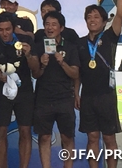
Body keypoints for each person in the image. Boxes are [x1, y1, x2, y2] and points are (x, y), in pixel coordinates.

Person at [76, 0, 122, 168]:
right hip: (88, 97)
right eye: (89, 16)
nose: (92, 19)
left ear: (104, 21)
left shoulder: (110, 36)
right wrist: (76, 93)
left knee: (109, 138)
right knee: (92, 138)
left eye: (96, 17)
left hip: (106, 96)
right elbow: (79, 72)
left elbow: (120, 14)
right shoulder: (80, 43)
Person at [27, 11, 79, 168]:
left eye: (54, 24)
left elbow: (75, 73)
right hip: (44, 98)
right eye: (47, 24)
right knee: (44, 137)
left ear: (61, 28)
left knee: (67, 137)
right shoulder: (38, 46)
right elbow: (36, 75)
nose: (50, 28)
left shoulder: (70, 47)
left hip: (65, 98)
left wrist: (62, 62)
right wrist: (41, 64)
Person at [0, 13, 34, 168]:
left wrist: (29, 54)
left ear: (13, 28)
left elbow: (35, 68)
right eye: (0, 30)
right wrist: (0, 76)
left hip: (25, 91)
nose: (4, 33)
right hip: (2, 92)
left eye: (7, 29)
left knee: (25, 131)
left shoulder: (25, 41)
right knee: (0, 132)